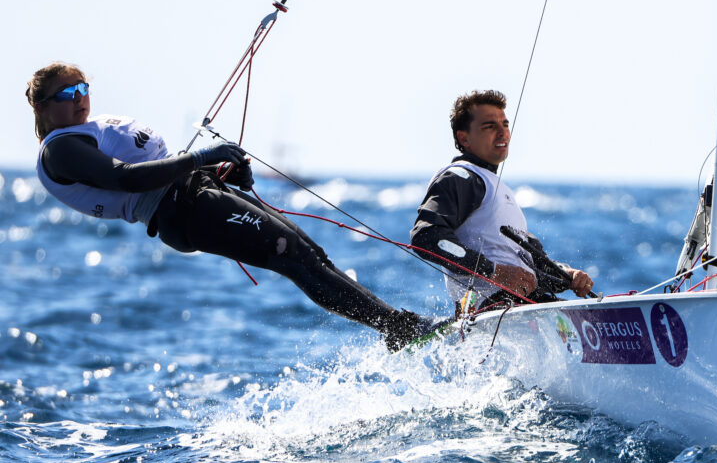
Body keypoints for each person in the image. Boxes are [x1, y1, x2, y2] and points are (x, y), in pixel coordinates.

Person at [27, 62, 431, 351]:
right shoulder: (61, 149)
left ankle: (396, 324)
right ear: (43, 107)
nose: (80, 99)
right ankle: (396, 327)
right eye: (68, 94)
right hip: (183, 211)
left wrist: (217, 169)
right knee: (291, 257)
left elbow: (153, 169)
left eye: (84, 89)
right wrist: (203, 157)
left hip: (196, 193)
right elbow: (127, 179)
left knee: (310, 254)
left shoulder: (83, 130)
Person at [411, 89, 594, 314]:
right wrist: (493, 271)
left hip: (522, 305)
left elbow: (530, 267)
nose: (503, 133)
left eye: (505, 125)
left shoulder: (498, 190)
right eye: (489, 127)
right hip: (493, 309)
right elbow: (425, 237)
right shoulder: (461, 177)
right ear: (464, 138)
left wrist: (568, 276)